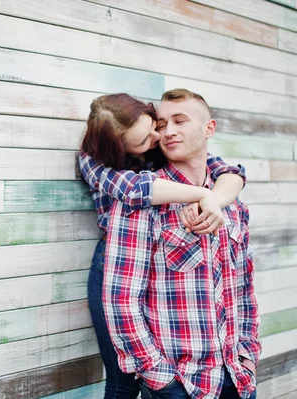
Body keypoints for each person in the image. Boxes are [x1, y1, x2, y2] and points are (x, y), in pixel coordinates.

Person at [79, 93, 246, 398]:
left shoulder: (161, 146)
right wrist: (163, 381)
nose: (160, 136)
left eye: (156, 126)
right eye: (146, 138)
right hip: (115, 255)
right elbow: (136, 189)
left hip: (158, 253)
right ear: (121, 147)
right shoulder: (97, 163)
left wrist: (212, 199)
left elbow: (231, 173)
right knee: (123, 379)